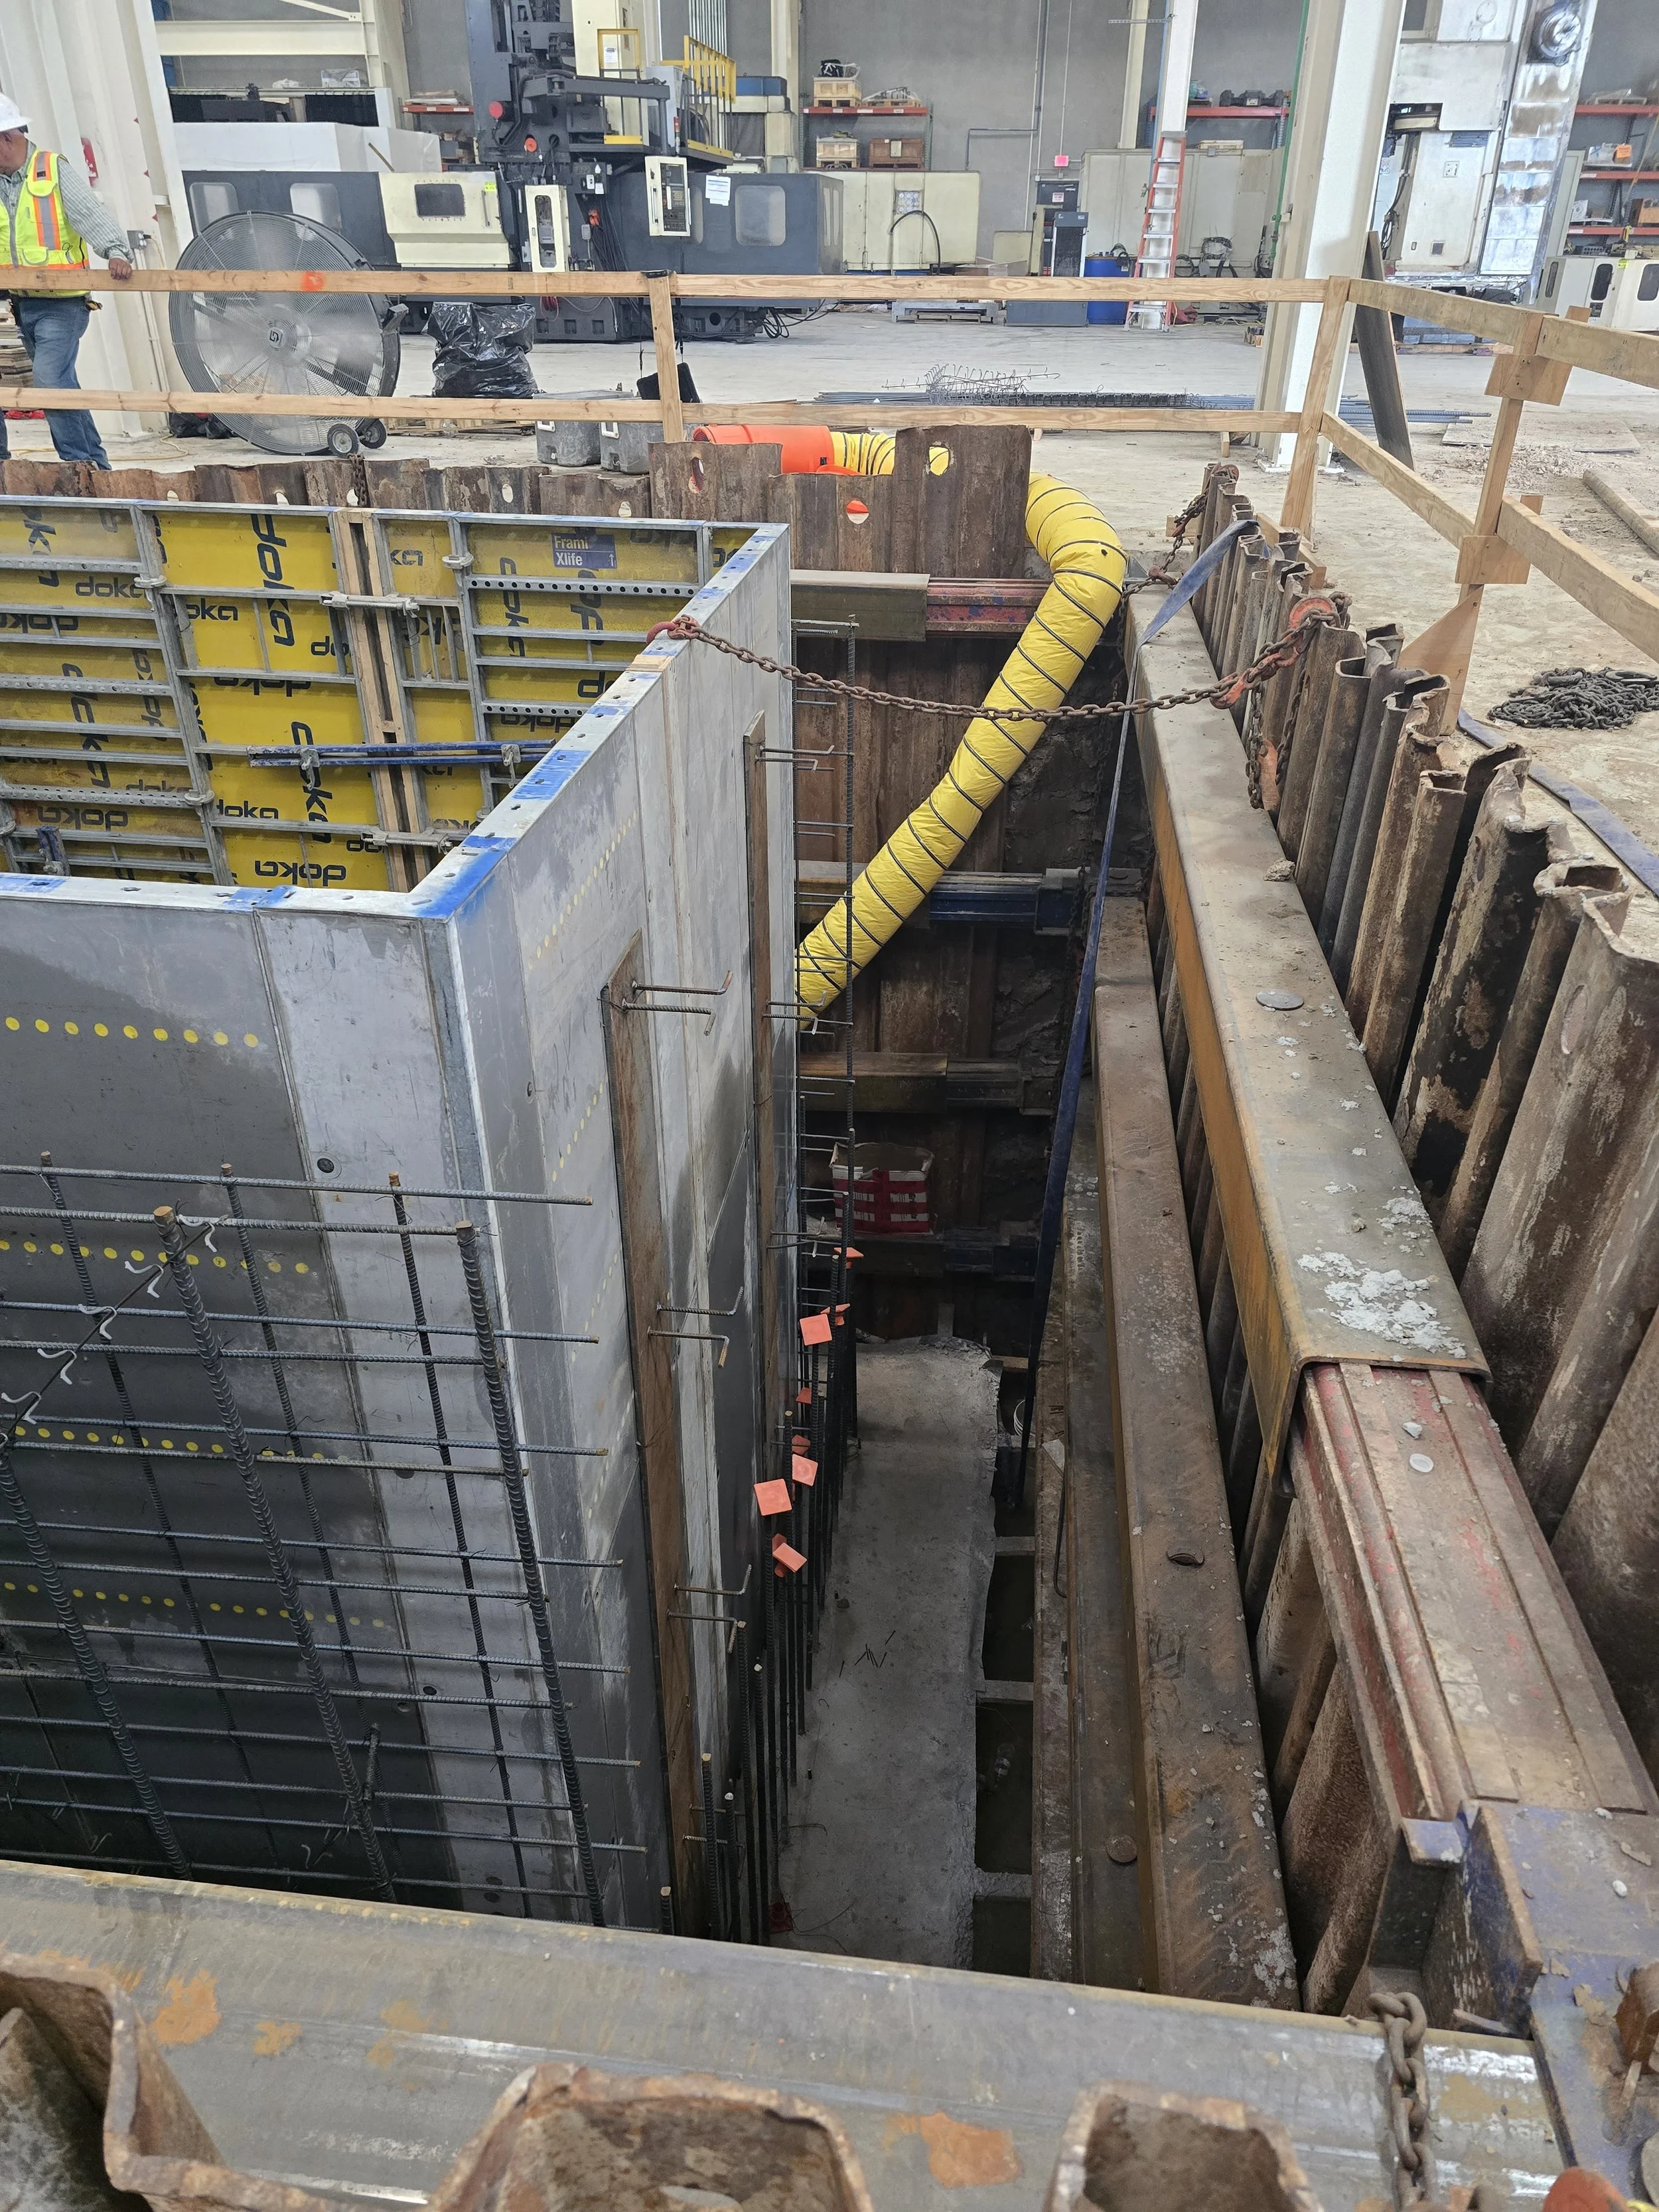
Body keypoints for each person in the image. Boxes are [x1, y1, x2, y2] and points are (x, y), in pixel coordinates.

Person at [0, 94, 133, 471]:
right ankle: (93, 463)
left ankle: (78, 465)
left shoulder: (52, 169)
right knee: (60, 383)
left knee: (48, 380)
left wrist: (117, 252)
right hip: (22, 301)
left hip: (63, 302)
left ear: (7, 138)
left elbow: (89, 213)